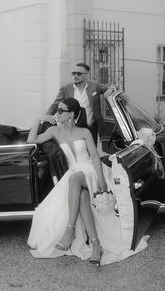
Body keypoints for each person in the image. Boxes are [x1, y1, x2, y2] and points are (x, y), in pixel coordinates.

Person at [27, 98, 148, 266]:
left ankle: (69, 231)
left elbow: (94, 157)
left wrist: (101, 180)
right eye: (57, 110)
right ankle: (96, 245)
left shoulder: (84, 132)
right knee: (82, 196)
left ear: (71, 114)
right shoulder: (54, 131)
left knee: (74, 179)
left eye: (61, 111)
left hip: (91, 171)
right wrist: (39, 118)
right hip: (74, 174)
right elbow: (31, 140)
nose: (57, 113)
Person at [45, 62, 116, 145]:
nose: (75, 76)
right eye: (73, 73)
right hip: (72, 127)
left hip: (91, 127)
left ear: (86, 75)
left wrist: (110, 89)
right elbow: (55, 105)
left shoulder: (94, 86)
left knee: (91, 152)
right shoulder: (66, 88)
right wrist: (47, 116)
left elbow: (112, 86)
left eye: (79, 74)